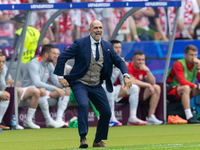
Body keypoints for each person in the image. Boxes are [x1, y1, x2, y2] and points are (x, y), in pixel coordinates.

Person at [54, 20, 132, 148]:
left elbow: (119, 61)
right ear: (89, 30)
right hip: (80, 82)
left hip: (96, 84)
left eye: (100, 27)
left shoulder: (107, 46)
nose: (98, 30)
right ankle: (83, 138)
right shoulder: (80, 43)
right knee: (83, 105)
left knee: (106, 112)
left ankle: (98, 140)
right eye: (95, 28)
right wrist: (60, 77)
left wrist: (126, 75)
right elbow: (62, 57)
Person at [21, 44, 66, 128]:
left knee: (65, 90)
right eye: (53, 53)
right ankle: (41, 120)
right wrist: (56, 88)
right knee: (42, 90)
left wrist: (66, 85)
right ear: (46, 54)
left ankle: (57, 119)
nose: (55, 56)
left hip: (40, 90)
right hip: (26, 89)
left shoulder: (49, 65)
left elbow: (56, 81)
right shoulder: (34, 63)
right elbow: (37, 83)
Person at [103, 40, 147, 126]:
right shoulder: (104, 58)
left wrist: (125, 83)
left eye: (120, 47)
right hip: (98, 88)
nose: (118, 50)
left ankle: (132, 117)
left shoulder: (120, 60)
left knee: (134, 88)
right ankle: (111, 118)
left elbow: (122, 78)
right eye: (116, 47)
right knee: (109, 88)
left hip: (110, 89)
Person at [167, 45, 200, 124]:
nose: (194, 57)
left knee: (190, 88)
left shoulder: (195, 65)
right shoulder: (179, 64)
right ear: (185, 55)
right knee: (186, 87)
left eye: (195, 55)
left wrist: (198, 68)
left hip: (184, 91)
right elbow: (182, 82)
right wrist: (196, 86)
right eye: (191, 55)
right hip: (169, 90)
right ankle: (189, 117)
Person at [127, 51, 163, 125]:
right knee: (136, 87)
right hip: (126, 92)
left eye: (143, 60)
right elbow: (132, 81)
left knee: (156, 87)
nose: (141, 62)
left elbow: (153, 82)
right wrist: (148, 85)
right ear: (133, 59)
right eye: (139, 60)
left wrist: (148, 71)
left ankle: (150, 117)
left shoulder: (143, 67)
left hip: (138, 93)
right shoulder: (128, 67)